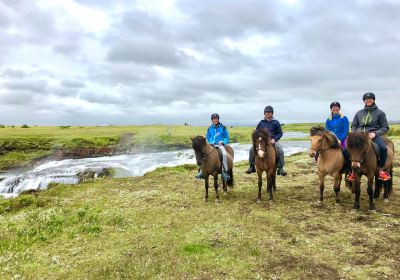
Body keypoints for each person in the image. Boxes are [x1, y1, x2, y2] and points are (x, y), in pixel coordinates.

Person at [347, 92, 391, 181]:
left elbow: (385, 127)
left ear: (373, 100)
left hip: (373, 136)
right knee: (346, 150)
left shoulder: (380, 113)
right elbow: (354, 125)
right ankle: (352, 171)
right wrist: (355, 132)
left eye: (370, 99)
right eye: (366, 99)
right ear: (364, 101)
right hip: (359, 137)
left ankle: (381, 170)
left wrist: (375, 133)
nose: (368, 100)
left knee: (383, 148)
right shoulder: (359, 113)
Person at [245, 106, 287, 176]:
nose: (268, 113)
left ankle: (280, 168)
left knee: (281, 151)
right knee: (251, 150)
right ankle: (251, 166)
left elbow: (280, 133)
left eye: (269, 112)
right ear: (264, 113)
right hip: (262, 142)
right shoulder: (261, 123)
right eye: (267, 112)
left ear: (272, 113)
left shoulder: (276, 122)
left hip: (273, 141)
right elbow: (257, 132)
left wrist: (274, 139)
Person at [195, 113, 231, 181]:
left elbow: (226, 137)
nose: (215, 120)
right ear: (212, 120)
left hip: (220, 145)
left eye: (216, 119)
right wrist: (207, 141)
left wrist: (223, 142)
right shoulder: (209, 128)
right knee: (201, 154)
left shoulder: (223, 128)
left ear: (218, 119)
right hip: (211, 144)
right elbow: (207, 138)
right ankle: (201, 171)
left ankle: (224, 171)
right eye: (214, 119)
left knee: (224, 154)